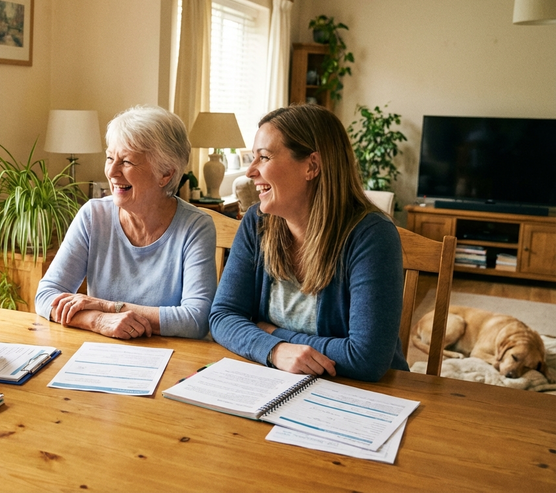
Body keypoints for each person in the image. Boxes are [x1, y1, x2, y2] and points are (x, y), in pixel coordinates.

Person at [210, 104, 406, 382]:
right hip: (277, 382)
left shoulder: (372, 235)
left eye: (264, 157)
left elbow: (366, 358)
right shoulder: (257, 223)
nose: (251, 171)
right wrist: (276, 351)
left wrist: (271, 333)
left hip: (365, 395)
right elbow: (222, 317)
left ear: (311, 166)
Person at [34, 105, 216, 339]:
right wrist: (98, 320)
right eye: (110, 158)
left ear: (165, 174)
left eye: (127, 162)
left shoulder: (195, 227)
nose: (111, 171)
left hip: (170, 357)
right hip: (101, 353)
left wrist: (108, 307)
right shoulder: (93, 215)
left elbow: (195, 319)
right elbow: (46, 295)